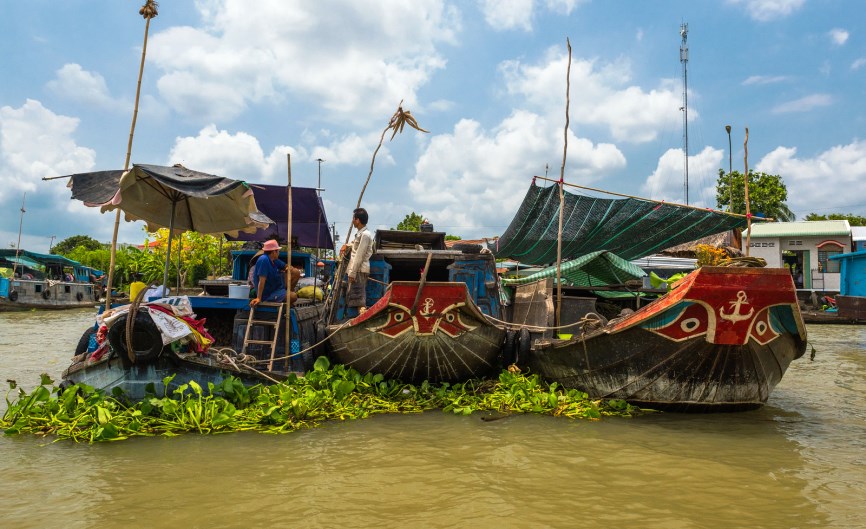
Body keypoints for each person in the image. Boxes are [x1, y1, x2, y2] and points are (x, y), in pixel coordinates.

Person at [250, 239, 300, 307]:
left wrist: (287, 268)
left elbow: (286, 266)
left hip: (277, 288)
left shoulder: (274, 260)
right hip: (268, 294)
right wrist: (259, 298)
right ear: (274, 252)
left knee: (296, 272)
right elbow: (261, 281)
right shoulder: (264, 260)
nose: (278, 253)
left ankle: (286, 294)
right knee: (293, 296)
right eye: (278, 251)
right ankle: (284, 296)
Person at [343, 208, 375, 314]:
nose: (352, 221)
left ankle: (362, 322)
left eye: (353, 218)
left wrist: (352, 272)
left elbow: (359, 255)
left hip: (359, 270)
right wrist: (347, 245)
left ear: (357, 220)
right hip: (357, 270)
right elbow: (356, 247)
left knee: (359, 300)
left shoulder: (365, 235)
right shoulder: (361, 234)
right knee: (356, 298)